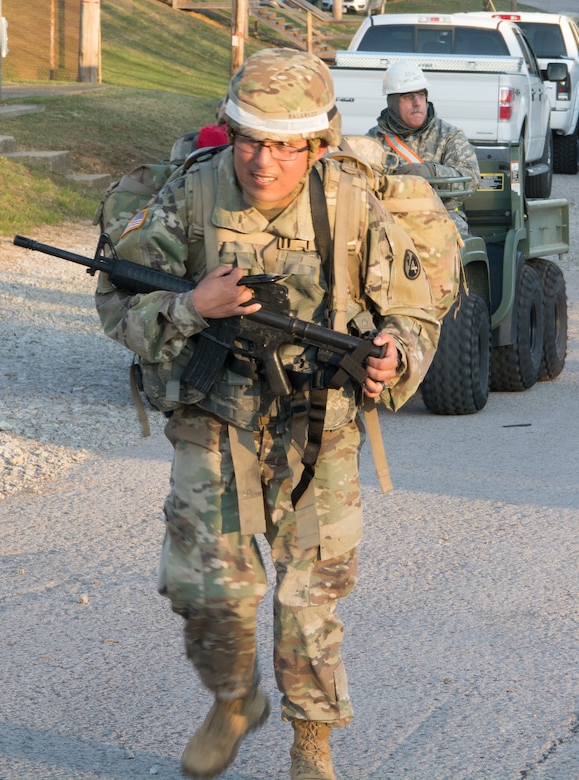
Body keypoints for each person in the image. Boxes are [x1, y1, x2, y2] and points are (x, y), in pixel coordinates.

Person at [95, 48, 441, 780]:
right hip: (215, 415)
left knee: (309, 593)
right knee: (205, 588)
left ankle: (311, 745)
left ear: (316, 144)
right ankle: (232, 700)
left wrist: (394, 355)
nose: (265, 162)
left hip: (320, 421)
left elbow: (413, 311)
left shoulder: (351, 202)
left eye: (286, 145)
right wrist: (196, 306)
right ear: (229, 129)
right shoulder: (191, 196)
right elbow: (117, 306)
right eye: (251, 139)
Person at [367, 61, 481, 237]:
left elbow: (471, 178)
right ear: (392, 102)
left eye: (421, 95)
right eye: (407, 96)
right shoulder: (374, 140)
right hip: (388, 216)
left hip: (441, 215)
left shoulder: (449, 135)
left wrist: (432, 172)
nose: (417, 103)